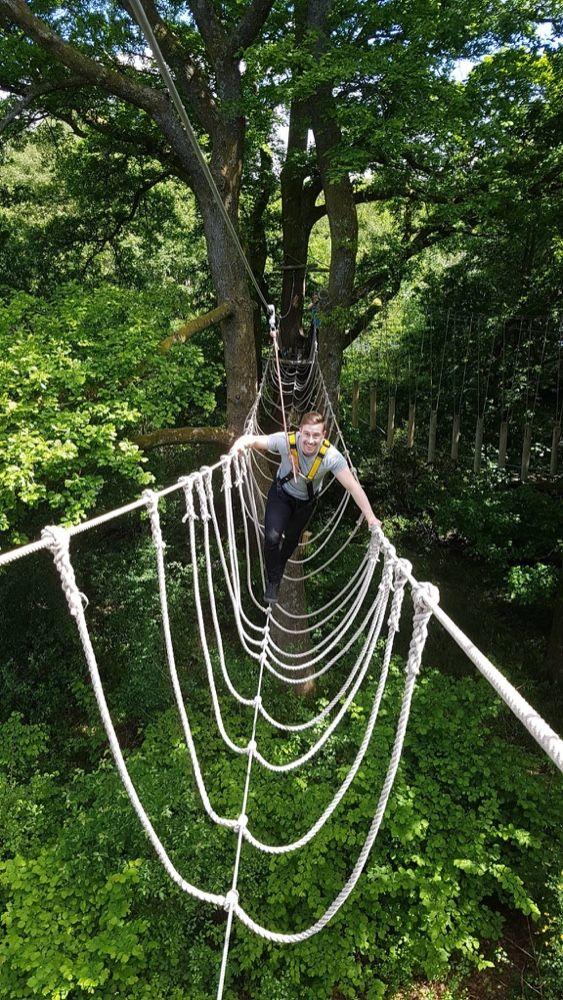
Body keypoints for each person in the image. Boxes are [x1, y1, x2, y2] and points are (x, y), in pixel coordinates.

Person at [230, 411, 382, 604]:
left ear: (324, 435)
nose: (310, 440)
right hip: (281, 495)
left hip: (305, 503)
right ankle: (273, 580)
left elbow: (352, 486)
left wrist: (370, 517)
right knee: (271, 538)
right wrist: (238, 446)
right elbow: (251, 439)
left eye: (316, 435)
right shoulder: (286, 441)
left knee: (291, 541)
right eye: (307, 434)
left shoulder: (331, 457)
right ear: (300, 431)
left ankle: (280, 566)